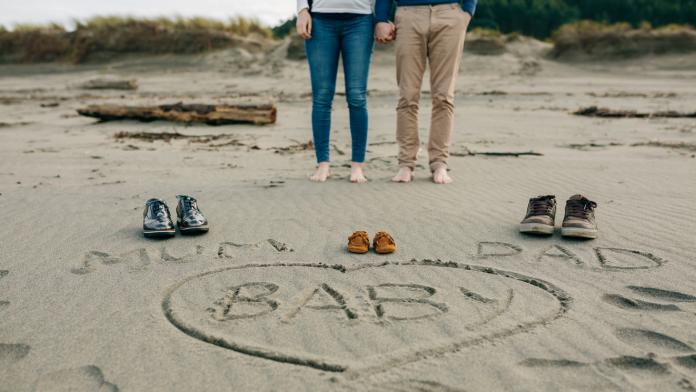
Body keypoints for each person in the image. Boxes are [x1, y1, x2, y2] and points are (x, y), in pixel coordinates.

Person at [374, 0, 476, 184]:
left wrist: (467, 12)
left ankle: (439, 163)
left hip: (449, 15)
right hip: (408, 15)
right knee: (407, 95)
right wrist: (381, 17)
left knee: (444, 96)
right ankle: (406, 164)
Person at [296, 0, 375, 183]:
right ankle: (323, 164)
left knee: (357, 96)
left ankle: (357, 165)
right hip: (320, 20)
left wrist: (381, 19)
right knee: (322, 96)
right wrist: (302, 10)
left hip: (361, 20)